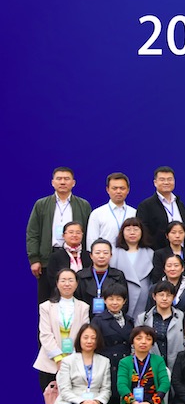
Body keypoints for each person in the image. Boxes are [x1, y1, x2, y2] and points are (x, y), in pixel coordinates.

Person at [28, 167, 93, 303]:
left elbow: (88, 232)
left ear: (73, 183)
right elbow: (33, 233)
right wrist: (34, 259)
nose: (62, 182)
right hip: (48, 257)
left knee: (78, 296)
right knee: (47, 298)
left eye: (66, 179)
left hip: (75, 256)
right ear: (53, 182)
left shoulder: (83, 205)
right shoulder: (41, 204)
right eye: (59, 179)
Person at [35, 268, 92, 392]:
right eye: (63, 280)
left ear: (76, 284)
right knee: (51, 397)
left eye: (71, 280)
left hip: (75, 359)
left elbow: (84, 334)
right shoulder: (46, 307)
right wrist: (58, 358)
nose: (67, 284)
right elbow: (45, 334)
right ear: (57, 283)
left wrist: (71, 357)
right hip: (50, 361)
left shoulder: (83, 307)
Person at [136, 282, 185, 371]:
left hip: (177, 366)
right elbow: (135, 343)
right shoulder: (143, 318)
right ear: (154, 296)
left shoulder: (182, 317)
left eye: (168, 295)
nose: (164, 298)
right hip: (149, 367)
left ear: (173, 297)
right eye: (161, 295)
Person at [111, 218, 154, 314]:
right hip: (121, 298)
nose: (132, 233)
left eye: (136, 229)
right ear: (122, 232)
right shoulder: (114, 253)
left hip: (144, 300)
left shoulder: (150, 253)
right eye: (128, 230)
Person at [87, 172, 132, 249]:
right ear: (107, 190)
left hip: (128, 255)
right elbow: (91, 241)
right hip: (104, 255)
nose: (118, 191)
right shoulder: (97, 213)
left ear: (128, 190)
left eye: (122, 188)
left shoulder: (134, 213)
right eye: (114, 188)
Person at [150, 221, 185, 287]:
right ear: (167, 235)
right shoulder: (159, 254)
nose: (177, 236)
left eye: (181, 232)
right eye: (173, 232)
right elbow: (157, 277)